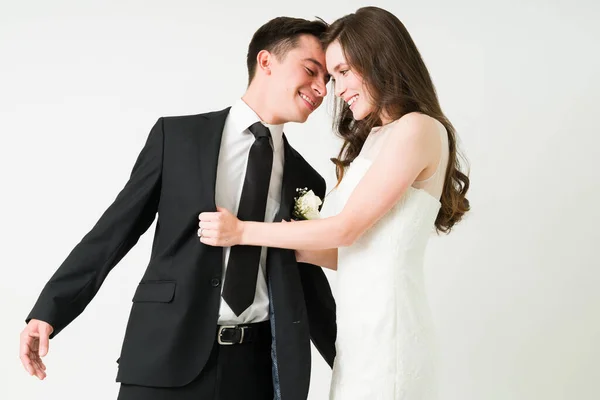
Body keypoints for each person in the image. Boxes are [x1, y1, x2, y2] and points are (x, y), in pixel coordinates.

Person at [20, 16, 337, 400]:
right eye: (311, 70)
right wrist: (49, 310)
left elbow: (308, 282)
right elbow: (116, 229)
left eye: (329, 80)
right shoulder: (179, 138)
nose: (322, 88)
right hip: (165, 356)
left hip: (255, 369)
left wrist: (353, 363)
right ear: (266, 62)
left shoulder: (306, 178)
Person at [198, 6, 471, 399]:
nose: (335, 90)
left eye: (342, 72)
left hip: (389, 328)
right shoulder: (376, 138)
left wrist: (241, 231)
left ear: (379, 59)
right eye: (330, 75)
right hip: (358, 333)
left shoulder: (418, 128)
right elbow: (352, 252)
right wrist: (297, 250)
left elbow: (347, 228)